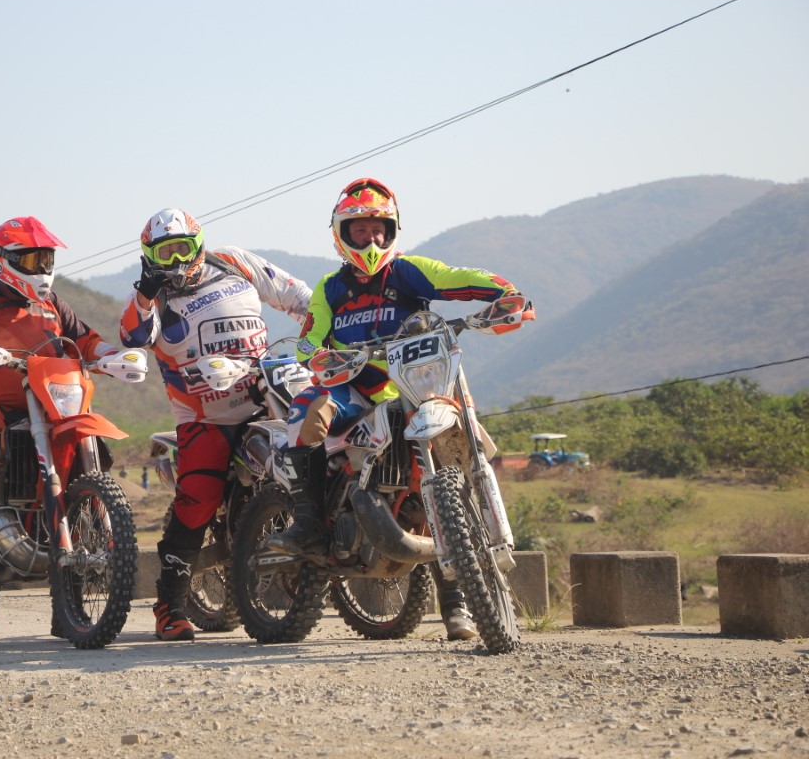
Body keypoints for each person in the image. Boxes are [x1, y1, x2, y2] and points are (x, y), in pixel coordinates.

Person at [267, 178, 533, 641]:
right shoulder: (332, 288)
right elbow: (309, 340)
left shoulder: (409, 272)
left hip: (418, 387)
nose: (370, 239)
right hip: (355, 389)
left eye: (378, 229)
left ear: (391, 231)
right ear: (341, 234)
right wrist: (321, 356)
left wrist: (504, 293)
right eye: (359, 230)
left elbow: (458, 278)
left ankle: (457, 605)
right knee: (308, 408)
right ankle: (308, 521)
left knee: (446, 480)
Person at [120, 208, 312, 641]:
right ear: (149, 256)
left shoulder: (234, 262)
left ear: (199, 244)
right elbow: (133, 337)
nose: (175, 260)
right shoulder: (152, 297)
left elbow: (297, 296)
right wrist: (145, 296)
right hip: (205, 412)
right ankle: (170, 606)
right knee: (199, 496)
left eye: (181, 249)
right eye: (164, 253)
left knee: (319, 453)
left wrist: (320, 337)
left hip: (267, 389)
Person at [0, 216, 130, 569]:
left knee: (89, 436)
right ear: (3, 261)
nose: (42, 269)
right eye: (33, 260)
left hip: (53, 403)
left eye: (47, 260)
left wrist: (112, 355)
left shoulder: (54, 306)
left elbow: (86, 340)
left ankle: (94, 524)